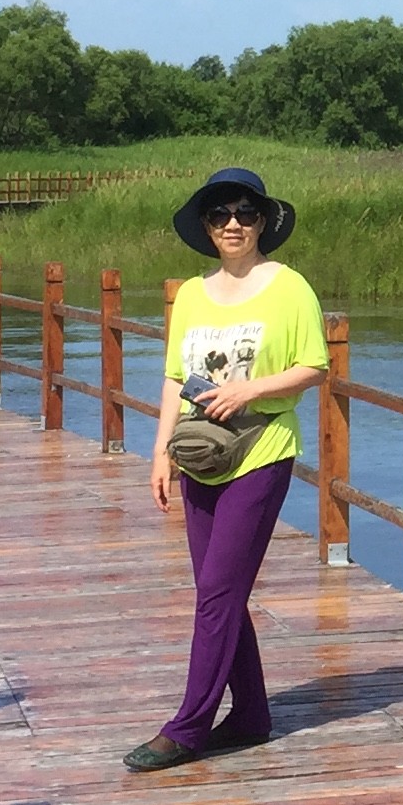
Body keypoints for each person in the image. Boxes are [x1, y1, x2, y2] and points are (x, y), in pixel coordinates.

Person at [126, 167, 327, 773]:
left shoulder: (290, 288)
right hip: (200, 454)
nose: (233, 224)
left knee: (216, 590)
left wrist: (248, 391)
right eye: (220, 216)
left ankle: (188, 726)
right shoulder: (190, 294)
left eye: (244, 213)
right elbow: (171, 376)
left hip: (262, 450)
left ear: (263, 220)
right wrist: (160, 452)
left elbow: (314, 366)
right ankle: (252, 715)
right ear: (207, 228)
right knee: (221, 591)